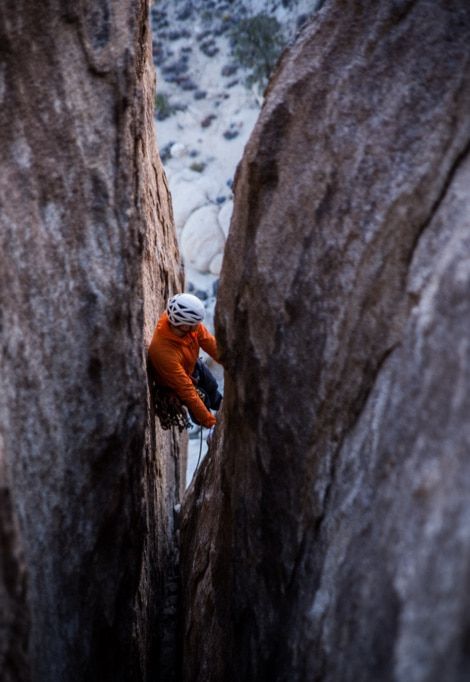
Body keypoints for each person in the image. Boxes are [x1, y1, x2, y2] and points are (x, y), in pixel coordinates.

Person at [148, 293, 222, 429]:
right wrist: (210, 423)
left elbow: (210, 343)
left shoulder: (187, 325)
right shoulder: (163, 352)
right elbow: (187, 391)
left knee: (211, 386)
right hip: (176, 383)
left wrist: (232, 364)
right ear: (183, 325)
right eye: (194, 324)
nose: (198, 326)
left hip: (191, 365)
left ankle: (221, 405)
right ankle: (207, 421)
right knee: (202, 398)